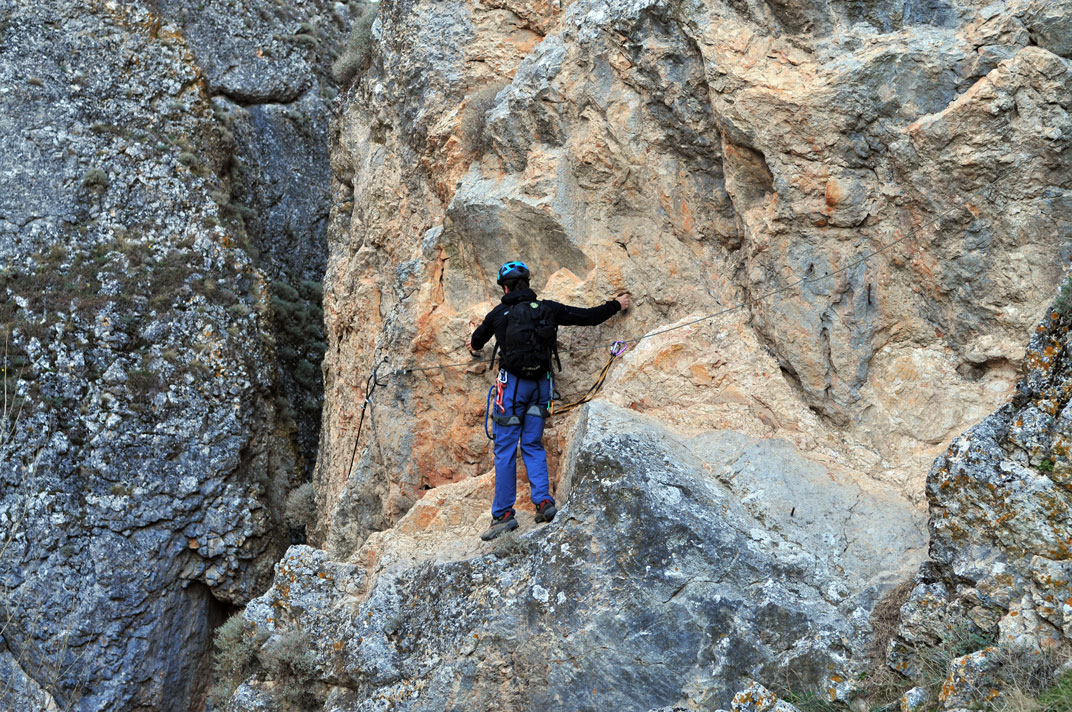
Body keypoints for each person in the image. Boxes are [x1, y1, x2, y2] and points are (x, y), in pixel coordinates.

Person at [467, 260, 631, 541]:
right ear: (528, 284)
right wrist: (617, 304)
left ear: (505, 287)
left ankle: (503, 515)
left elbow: (477, 341)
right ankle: (544, 503)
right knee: (532, 443)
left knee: (505, 449)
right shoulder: (548, 309)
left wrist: (473, 345)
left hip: (512, 388)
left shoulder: (498, 314)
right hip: (540, 386)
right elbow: (588, 317)